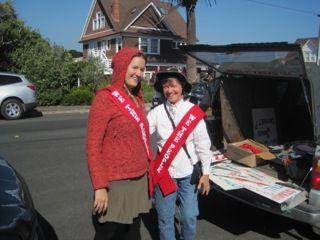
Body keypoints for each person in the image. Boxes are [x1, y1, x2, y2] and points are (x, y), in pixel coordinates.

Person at [86, 47, 153, 240]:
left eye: (142, 69)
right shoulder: (105, 98)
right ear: (122, 67)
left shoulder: (137, 99)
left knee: (133, 234)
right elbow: (93, 146)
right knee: (109, 234)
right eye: (134, 68)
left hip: (138, 179)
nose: (138, 73)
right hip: (115, 183)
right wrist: (100, 186)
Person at [147, 70, 212, 240]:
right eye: (165, 86)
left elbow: (203, 144)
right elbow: (142, 132)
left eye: (173, 85)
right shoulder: (157, 112)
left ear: (182, 87)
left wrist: (206, 173)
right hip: (164, 173)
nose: (169, 90)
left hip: (188, 174)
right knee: (164, 218)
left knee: (189, 217)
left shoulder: (193, 112)